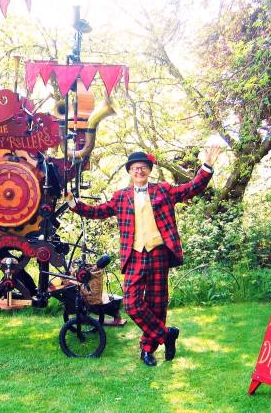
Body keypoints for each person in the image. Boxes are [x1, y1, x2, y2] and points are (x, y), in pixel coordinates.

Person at [65, 145, 221, 366]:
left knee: (157, 305)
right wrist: (73, 203)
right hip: (135, 255)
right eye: (135, 168)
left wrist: (207, 166)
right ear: (130, 171)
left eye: (143, 167)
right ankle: (166, 334)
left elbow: (192, 188)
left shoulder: (163, 190)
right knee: (131, 303)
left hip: (159, 254)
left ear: (149, 170)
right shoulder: (121, 196)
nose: (139, 171)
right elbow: (97, 212)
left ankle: (147, 350)